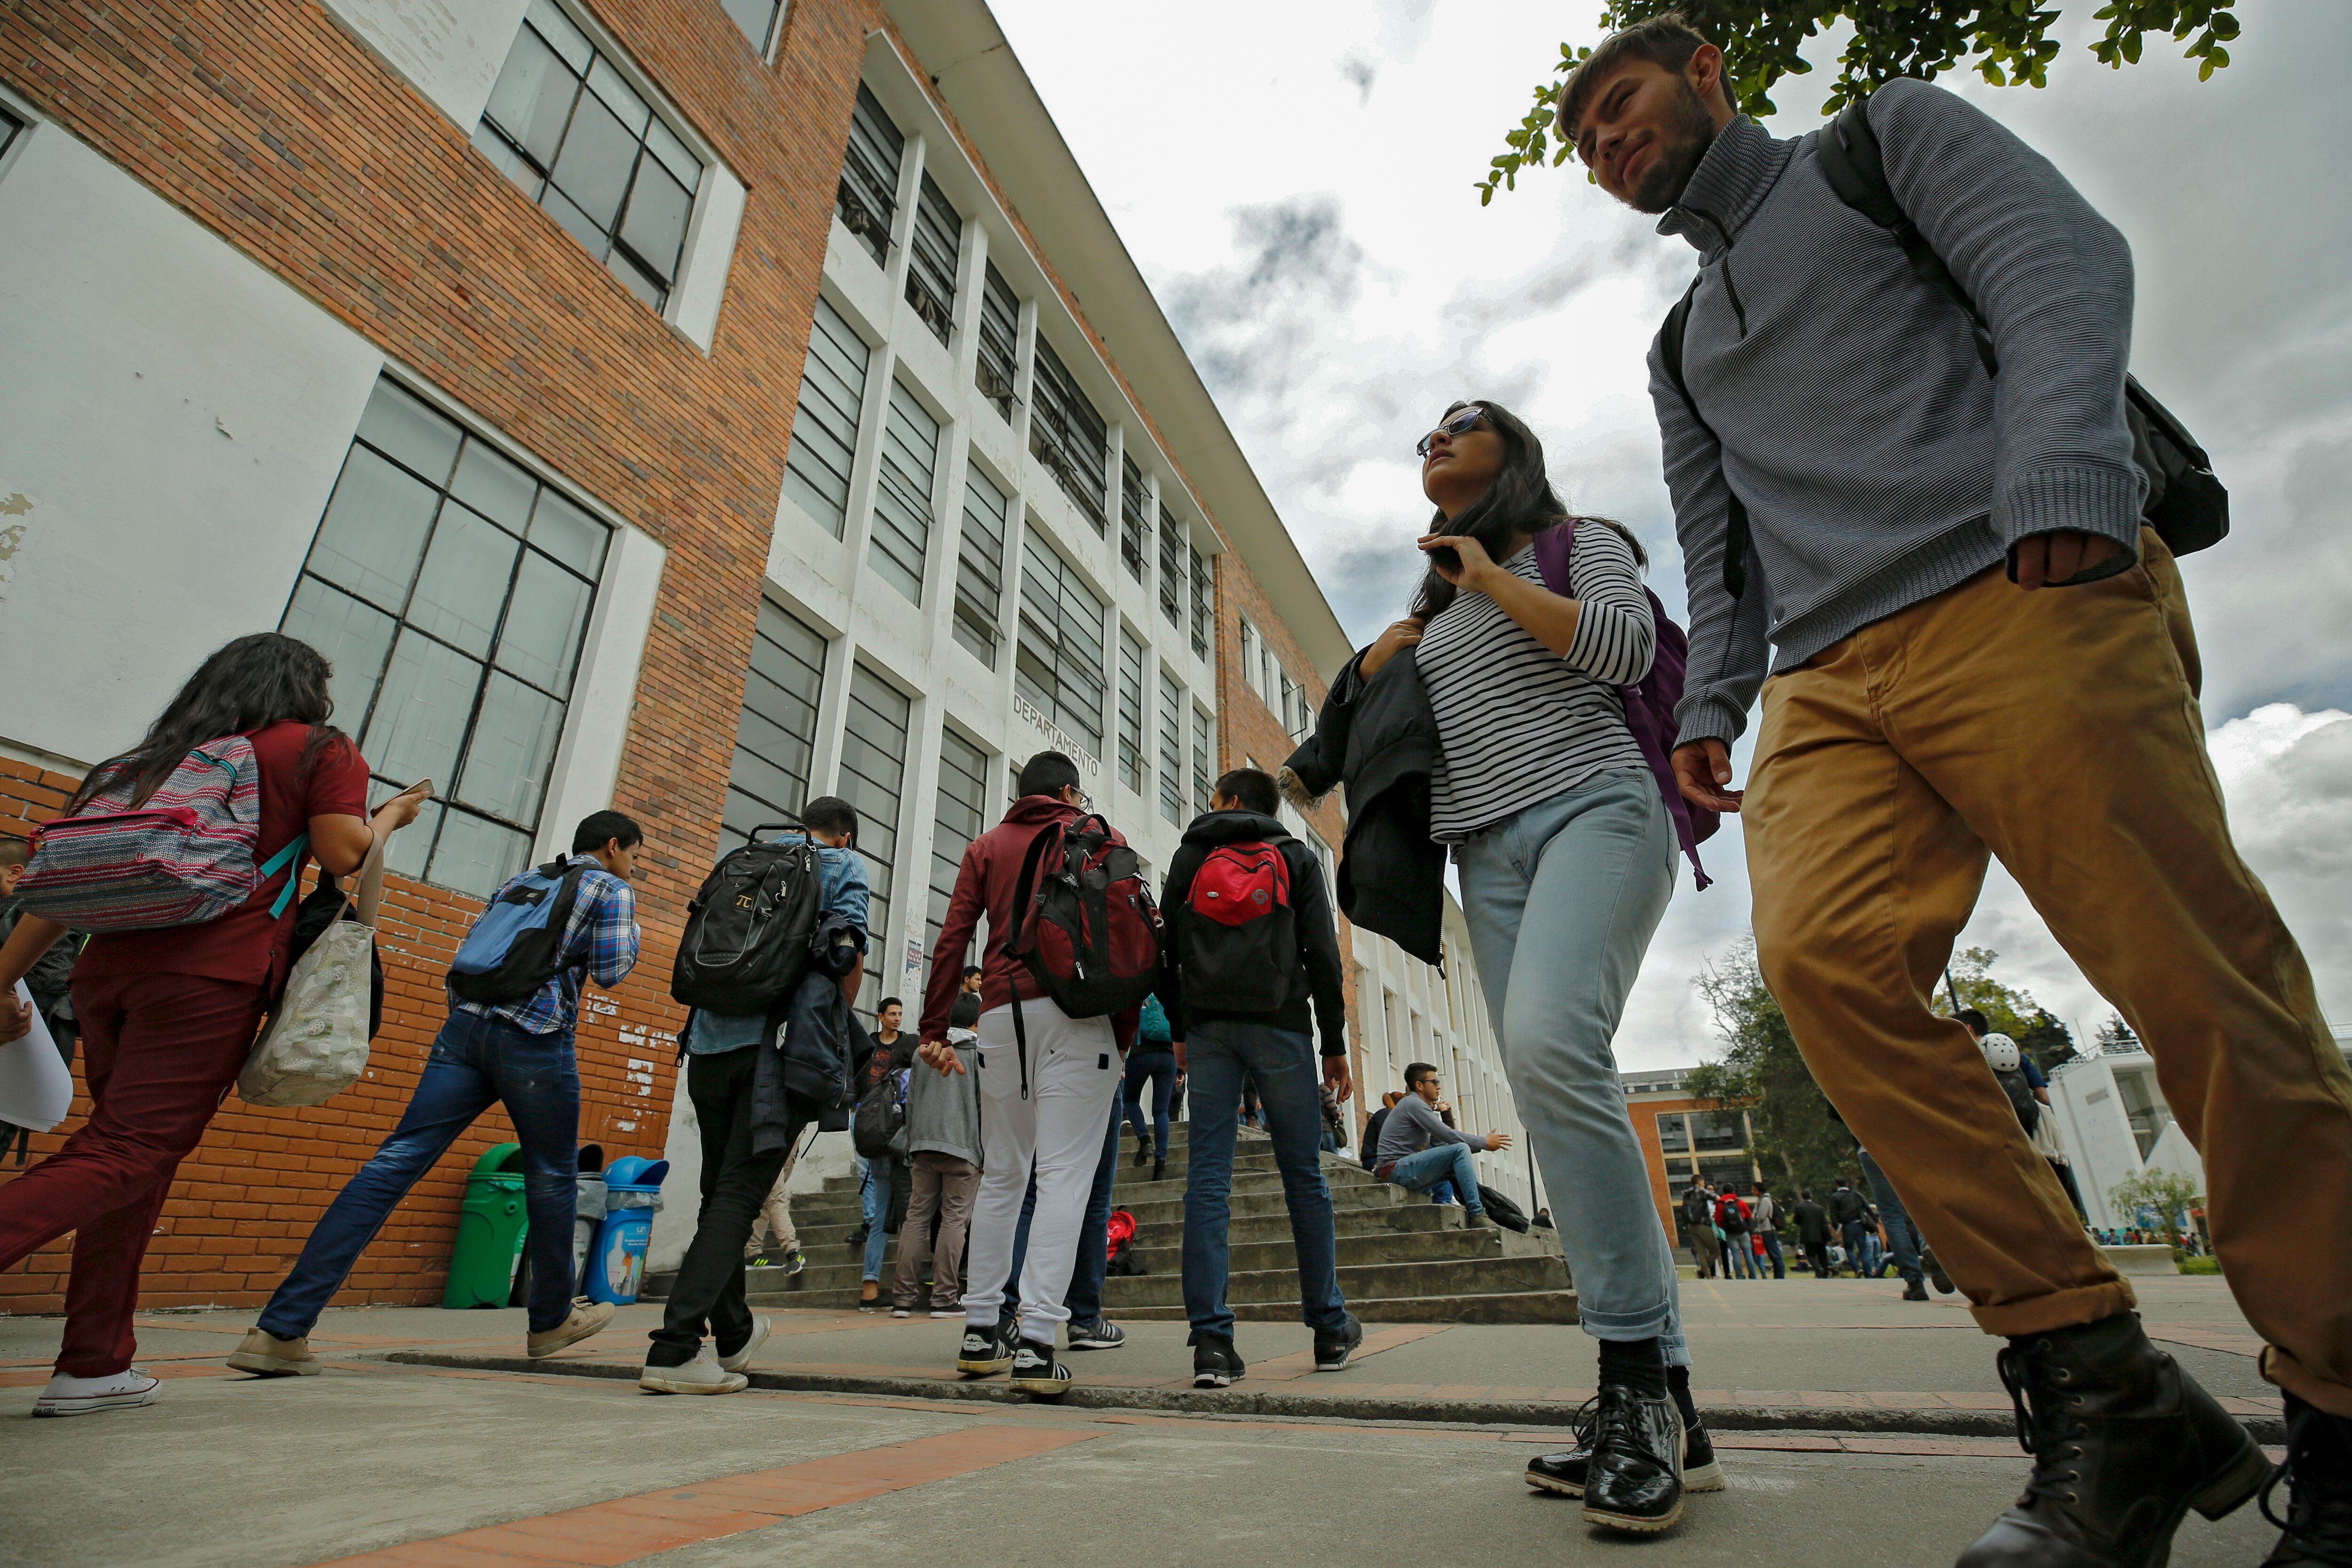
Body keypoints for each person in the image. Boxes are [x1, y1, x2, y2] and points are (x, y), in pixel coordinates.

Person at [1565, 16, 2352, 1552]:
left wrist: (2063, 467)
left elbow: (2060, 261)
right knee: (1825, 965)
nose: (1608, 138)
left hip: (2022, 579)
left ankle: (2341, 1395)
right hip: (1833, 678)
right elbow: (1715, 543)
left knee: (2194, 983)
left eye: (1622, 99)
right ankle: (2098, 1381)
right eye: (1585, 132)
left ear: (1709, 70)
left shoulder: (1881, 144)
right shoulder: (1682, 344)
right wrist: (1711, 702)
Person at [1359, 396, 1710, 1530]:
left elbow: (1617, 645)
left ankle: (1627, 1388)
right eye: (1423, 438)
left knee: (1558, 1046)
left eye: (1460, 425)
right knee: (1561, 1095)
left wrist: (1490, 582)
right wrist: (1382, 664)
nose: (1435, 441)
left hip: (1595, 811)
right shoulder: (1433, 604)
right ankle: (1671, 1400)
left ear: (1514, 449)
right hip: (1485, 858)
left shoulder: (1575, 544)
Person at [0, 635, 422, 1416]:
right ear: (307, 688)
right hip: (209, 975)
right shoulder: (316, 748)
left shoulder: (158, 758)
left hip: (106, 978)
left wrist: (0, 982)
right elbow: (342, 854)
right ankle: (91, 1358)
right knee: (131, 1149)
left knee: (132, 1158)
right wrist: (388, 818)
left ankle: (93, 1363)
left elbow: (60, 886)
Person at [235, 804, 638, 1382]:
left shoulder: (524, 879)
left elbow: (476, 949)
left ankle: (279, 1329)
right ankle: (550, 1321)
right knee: (551, 1177)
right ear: (614, 846)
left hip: (464, 1031)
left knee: (393, 1162)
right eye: (633, 857)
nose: (631, 868)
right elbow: (612, 970)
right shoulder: (607, 888)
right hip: (535, 1040)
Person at [915, 752, 1140, 1398]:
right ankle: (1040, 1341)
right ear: (1069, 791)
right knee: (1066, 1176)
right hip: (1076, 1017)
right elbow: (1125, 931)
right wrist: (1121, 1035)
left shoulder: (986, 846)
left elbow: (952, 937)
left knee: (1004, 1177)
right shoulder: (1096, 836)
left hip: (1000, 1017)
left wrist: (933, 1030)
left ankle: (983, 1329)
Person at [640, 800, 865, 1392]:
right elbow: (845, 956)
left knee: (722, 1192)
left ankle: (734, 1334)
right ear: (844, 835)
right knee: (741, 1197)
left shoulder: (743, 859)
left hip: (709, 1052)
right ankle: (674, 1349)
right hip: (776, 1054)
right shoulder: (841, 865)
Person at [1160, 766, 1362, 1387]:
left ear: (1230, 801)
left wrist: (1179, 1028)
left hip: (1211, 1030)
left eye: (1213, 795)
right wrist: (1333, 1043)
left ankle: (1212, 1345)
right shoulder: (1296, 856)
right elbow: (1322, 955)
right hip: (1281, 1027)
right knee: (1303, 1174)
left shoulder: (1192, 853)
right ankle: (1329, 1327)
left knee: (1209, 1179)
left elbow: (1166, 944)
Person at [0, 836, 84, 1162]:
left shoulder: (28, 911)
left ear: (15, 874)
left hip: (23, 1038)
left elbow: (49, 977)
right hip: (31, 1049)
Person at [893, 1012, 980, 1319]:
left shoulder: (923, 1051)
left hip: (924, 1143)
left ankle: (902, 1299)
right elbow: (984, 1102)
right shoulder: (977, 1052)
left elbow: (911, 1102)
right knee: (955, 1220)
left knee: (916, 1217)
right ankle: (944, 1298)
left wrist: (912, 1142)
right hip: (963, 1145)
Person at [1373, 1063, 1506, 1226]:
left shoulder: (1419, 1108)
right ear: (1419, 1086)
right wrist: (1484, 1142)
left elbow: (1444, 1143)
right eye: (1435, 1082)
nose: (1439, 1087)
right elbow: (1449, 1135)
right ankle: (1477, 1214)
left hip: (1406, 1169)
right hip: (1395, 1170)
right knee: (1459, 1149)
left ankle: (1476, 1208)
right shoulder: (1413, 1104)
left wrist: (1482, 1144)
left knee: (1456, 1153)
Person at [854, 997, 913, 1310]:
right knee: (909, 1219)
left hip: (878, 1150)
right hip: (902, 1154)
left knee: (879, 1218)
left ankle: (870, 1288)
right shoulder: (907, 1079)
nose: (898, 1018)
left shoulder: (882, 1081)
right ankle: (906, 1290)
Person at [1124, 990, 1176, 1179]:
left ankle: (1144, 1139)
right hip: (1168, 1054)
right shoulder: (1166, 991)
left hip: (1140, 1053)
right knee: (1161, 1111)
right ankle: (1161, 1164)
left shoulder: (1138, 987)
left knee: (1130, 1099)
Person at [1827, 1179, 1870, 1279]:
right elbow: (1866, 1207)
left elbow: (1833, 1214)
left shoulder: (1834, 1197)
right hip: (1860, 1225)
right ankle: (1869, 1272)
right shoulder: (1856, 1195)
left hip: (1848, 1226)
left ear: (1837, 1185)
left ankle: (1857, 1268)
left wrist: (1836, 1227)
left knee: (1849, 1249)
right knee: (1863, 1250)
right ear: (1847, 1184)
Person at [1680, 1179, 1720, 1278]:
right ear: (1699, 1182)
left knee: (1701, 1251)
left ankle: (1706, 1275)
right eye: (1703, 1182)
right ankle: (1703, 1271)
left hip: (1691, 1225)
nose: (1704, 1184)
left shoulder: (1687, 1193)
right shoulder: (1701, 1191)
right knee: (1715, 1250)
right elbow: (1716, 1198)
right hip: (1703, 1224)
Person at [1714, 1185, 1755, 1279]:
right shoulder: (1740, 1202)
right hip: (1743, 1231)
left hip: (1730, 1233)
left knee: (1735, 1254)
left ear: (1723, 1192)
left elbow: (1718, 1220)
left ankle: (1739, 1276)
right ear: (1733, 1191)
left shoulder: (1720, 1204)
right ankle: (1753, 1275)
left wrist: (1725, 1228)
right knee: (1748, 1253)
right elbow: (1749, 1215)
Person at [1748, 1184, 1785, 1280]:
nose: (1753, 1192)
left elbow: (1761, 1216)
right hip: (1765, 1230)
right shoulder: (1760, 1200)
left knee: (1775, 1253)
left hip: (1769, 1230)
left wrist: (1755, 1216)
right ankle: (1777, 1274)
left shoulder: (1765, 1201)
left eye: (1755, 1190)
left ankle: (1780, 1274)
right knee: (1772, 1253)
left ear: (1760, 1191)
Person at [1793, 1189, 1831, 1280]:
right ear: (1811, 1196)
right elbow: (1825, 1223)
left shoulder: (1799, 1207)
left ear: (1802, 1197)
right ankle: (1824, 1272)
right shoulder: (1820, 1208)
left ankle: (1818, 1269)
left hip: (1808, 1235)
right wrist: (1828, 1236)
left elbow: (1796, 1220)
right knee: (1822, 1255)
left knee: (1810, 1255)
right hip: (1821, 1235)